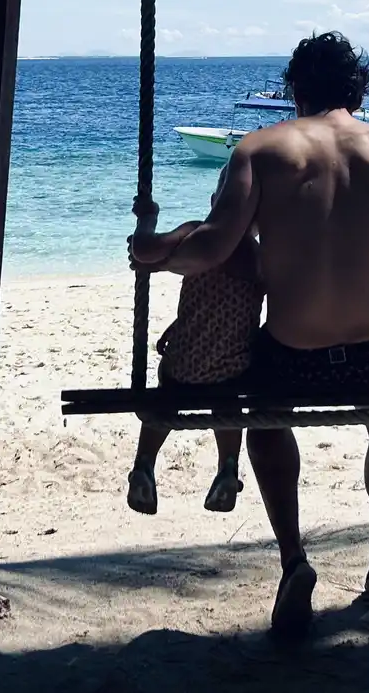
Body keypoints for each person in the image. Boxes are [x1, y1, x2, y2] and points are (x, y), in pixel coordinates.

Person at [132, 31, 369, 639]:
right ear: (359, 89)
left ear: (294, 88)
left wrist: (153, 256)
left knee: (261, 410)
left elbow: (213, 248)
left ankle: (293, 561)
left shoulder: (258, 150)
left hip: (292, 355)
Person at [127, 172, 264, 517]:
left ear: (214, 201)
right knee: (229, 406)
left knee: (165, 395)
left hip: (184, 367)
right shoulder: (257, 255)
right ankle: (228, 467)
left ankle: (144, 464)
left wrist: (148, 218)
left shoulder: (196, 235)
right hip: (234, 372)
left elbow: (142, 250)